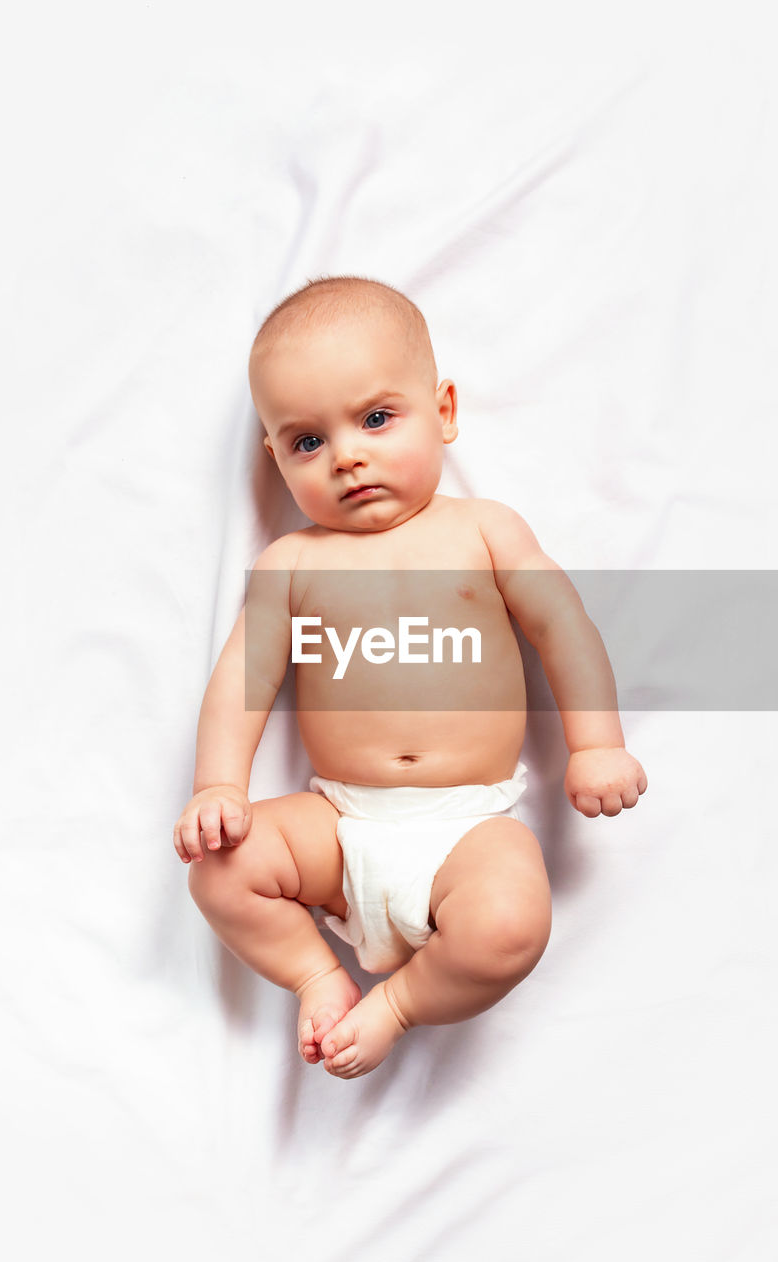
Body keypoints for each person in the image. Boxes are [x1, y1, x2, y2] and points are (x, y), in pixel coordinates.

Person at [173, 275, 647, 1079]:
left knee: (508, 925)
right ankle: (317, 976)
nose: (348, 456)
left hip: (468, 827)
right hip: (336, 823)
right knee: (221, 873)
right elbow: (239, 682)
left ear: (445, 411)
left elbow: (562, 628)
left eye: (376, 418)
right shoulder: (289, 564)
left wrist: (596, 744)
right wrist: (218, 787)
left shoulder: (484, 531)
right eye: (307, 442)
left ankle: (393, 1006)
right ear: (275, 458)